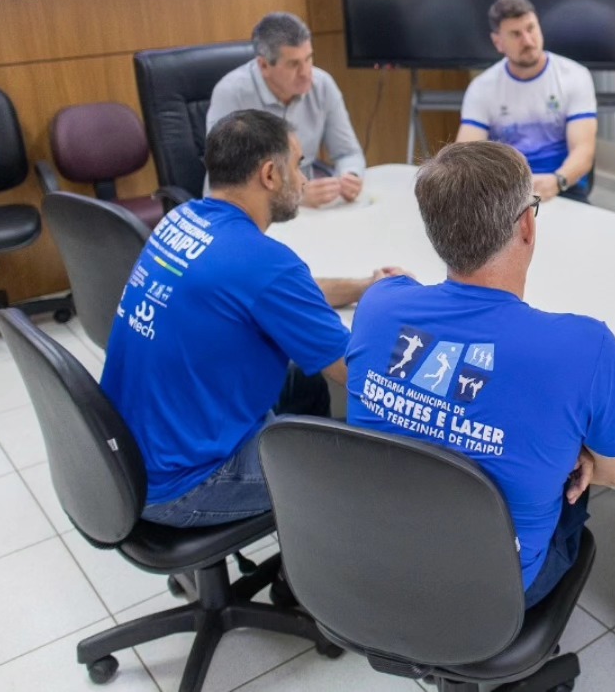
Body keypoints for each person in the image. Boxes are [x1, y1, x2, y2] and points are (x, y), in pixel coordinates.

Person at [345, 141, 615, 605]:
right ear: (527, 225)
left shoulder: (379, 304)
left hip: (379, 560)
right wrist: (579, 447)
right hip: (495, 596)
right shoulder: (585, 349)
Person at [102, 110, 403, 527]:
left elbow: (270, 293)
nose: (302, 179)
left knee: (305, 382)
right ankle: (320, 571)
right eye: (297, 165)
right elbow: (357, 375)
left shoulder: (182, 219)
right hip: (187, 483)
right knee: (371, 463)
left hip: (133, 456)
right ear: (269, 174)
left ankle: (302, 538)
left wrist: (361, 287)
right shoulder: (266, 265)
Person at [207, 11, 367, 207]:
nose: (306, 73)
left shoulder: (322, 85)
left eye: (308, 59)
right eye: (294, 64)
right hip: (245, 210)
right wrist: (294, 194)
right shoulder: (231, 94)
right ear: (264, 65)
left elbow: (348, 153)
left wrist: (349, 175)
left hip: (304, 208)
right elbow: (230, 182)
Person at [456, 0, 599, 202]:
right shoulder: (482, 88)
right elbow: (466, 153)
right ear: (498, 42)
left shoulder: (575, 76)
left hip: (562, 185)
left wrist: (556, 181)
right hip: (505, 189)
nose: (528, 41)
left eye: (531, 28)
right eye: (515, 34)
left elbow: (584, 150)